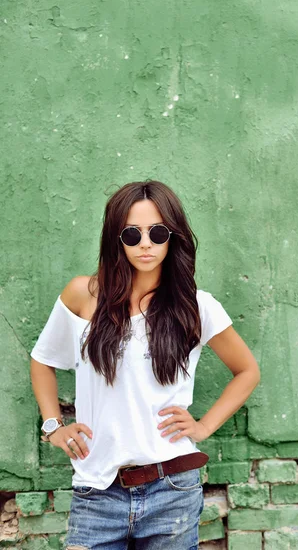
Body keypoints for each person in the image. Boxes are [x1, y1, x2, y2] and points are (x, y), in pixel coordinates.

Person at [30, 180, 260, 550]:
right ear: (115, 239)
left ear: (173, 236)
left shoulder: (196, 307)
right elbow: (42, 360)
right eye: (131, 234)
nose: (145, 243)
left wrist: (203, 427)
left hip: (172, 490)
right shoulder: (82, 295)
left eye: (157, 232)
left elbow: (247, 371)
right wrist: (54, 424)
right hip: (97, 491)